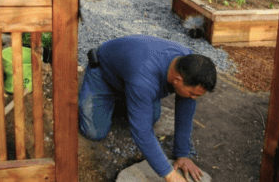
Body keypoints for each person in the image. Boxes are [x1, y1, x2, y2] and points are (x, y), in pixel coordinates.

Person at [79, 35, 217, 182]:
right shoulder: (144, 78)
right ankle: (105, 96)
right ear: (178, 80)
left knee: (152, 116)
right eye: (192, 94)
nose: (194, 98)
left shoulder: (188, 65)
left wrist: (183, 154)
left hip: (131, 76)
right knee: (94, 131)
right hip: (103, 74)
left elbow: (186, 110)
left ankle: (128, 98)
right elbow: (142, 132)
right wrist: (170, 175)